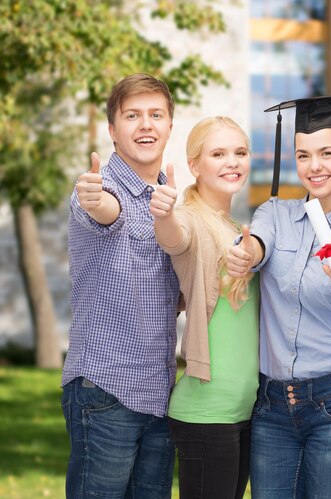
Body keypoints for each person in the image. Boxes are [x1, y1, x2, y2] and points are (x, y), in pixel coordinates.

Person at [226, 94, 331, 498]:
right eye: (303, 155)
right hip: (273, 407)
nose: (314, 167)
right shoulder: (275, 214)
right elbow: (257, 246)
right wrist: (246, 254)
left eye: (326, 153)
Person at [61, 73, 179, 498]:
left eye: (155, 115)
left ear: (169, 125)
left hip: (159, 393)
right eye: (132, 115)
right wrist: (96, 201)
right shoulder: (98, 186)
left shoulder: (168, 196)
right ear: (113, 129)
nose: (146, 124)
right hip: (105, 390)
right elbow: (104, 210)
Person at [150, 116, 259, 499]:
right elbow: (176, 239)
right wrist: (162, 215)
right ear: (195, 165)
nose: (232, 162)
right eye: (218, 154)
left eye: (239, 152)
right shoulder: (191, 218)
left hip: (242, 411)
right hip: (206, 413)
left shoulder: (233, 226)